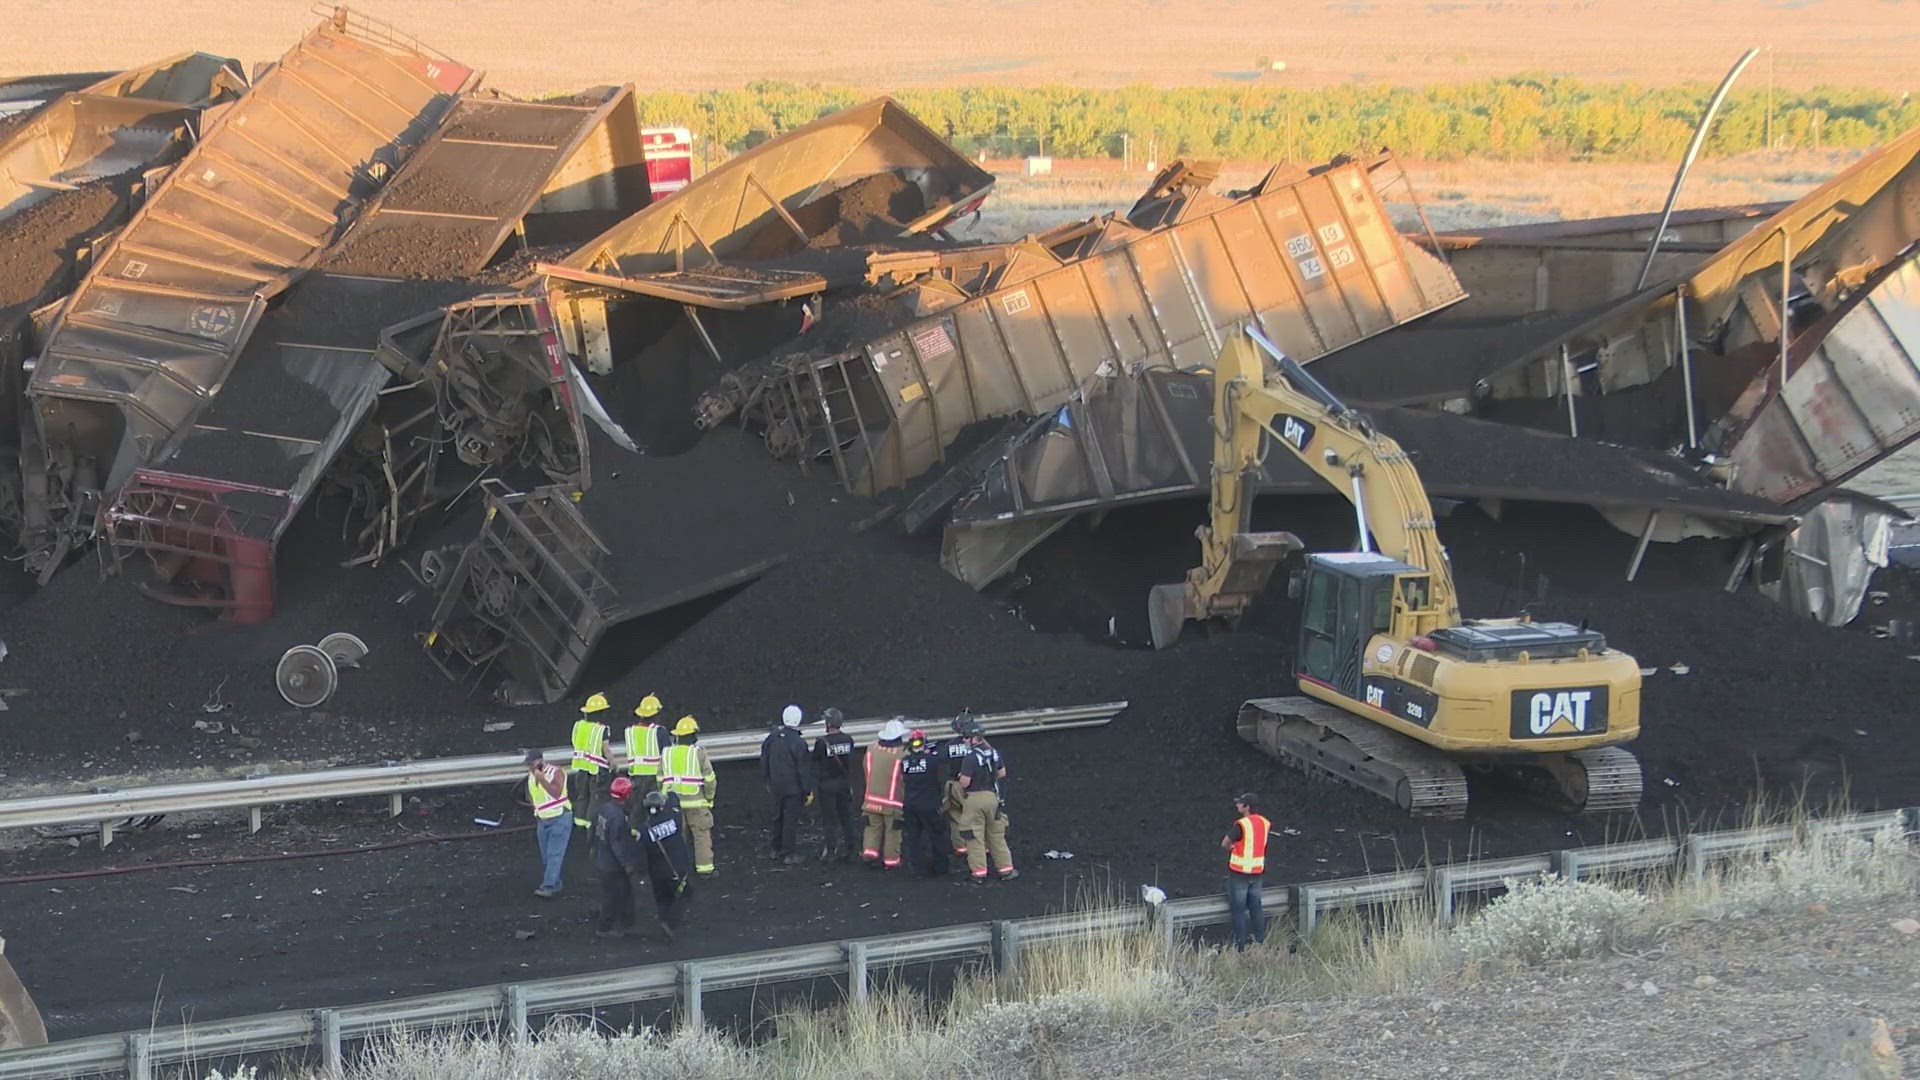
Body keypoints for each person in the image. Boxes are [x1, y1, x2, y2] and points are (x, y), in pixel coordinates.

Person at [956, 718, 1017, 882]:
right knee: (996, 835)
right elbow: (1002, 773)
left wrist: (962, 777)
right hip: (992, 797)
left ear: (974, 738)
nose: (963, 740)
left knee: (973, 836)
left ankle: (979, 873)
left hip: (974, 798)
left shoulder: (970, 758)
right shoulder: (993, 752)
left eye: (966, 737)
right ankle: (1006, 870)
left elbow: (965, 782)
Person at [661, 716, 718, 875]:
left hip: (673, 804)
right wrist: (709, 798)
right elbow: (710, 780)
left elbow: (660, 778)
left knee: (677, 837)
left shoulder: (666, 753)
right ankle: (705, 869)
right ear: (693, 736)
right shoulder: (699, 753)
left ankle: (678, 870)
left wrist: (664, 798)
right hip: (696, 804)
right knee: (701, 836)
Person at [760, 704, 815, 865]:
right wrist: (807, 790)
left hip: (776, 786)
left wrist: (767, 780)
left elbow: (764, 760)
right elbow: (803, 769)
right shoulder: (798, 743)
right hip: (793, 789)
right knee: (790, 820)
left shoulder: (772, 738)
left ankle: (775, 849)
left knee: (777, 817)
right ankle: (788, 853)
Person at [590, 776, 644, 937]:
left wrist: (592, 848)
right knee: (612, 896)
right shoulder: (618, 817)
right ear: (626, 795)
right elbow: (617, 843)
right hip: (612, 865)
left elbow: (593, 829)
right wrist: (627, 863)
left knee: (624, 892)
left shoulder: (604, 808)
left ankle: (627, 921)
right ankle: (604, 928)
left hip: (602, 860)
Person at [637, 789, 693, 938]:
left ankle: (663, 919)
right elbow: (675, 803)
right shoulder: (673, 818)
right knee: (685, 894)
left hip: (656, 873)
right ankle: (670, 923)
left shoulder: (644, 829)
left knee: (662, 897)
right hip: (676, 868)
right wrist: (672, 793)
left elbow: (641, 850)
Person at [1221, 792, 1271, 951]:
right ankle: (1260, 944)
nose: (1237, 805)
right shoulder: (1265, 823)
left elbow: (1225, 843)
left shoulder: (1241, 825)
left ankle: (1240, 948)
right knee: (1256, 908)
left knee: (1238, 911)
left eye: (1240, 803)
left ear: (1247, 807)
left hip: (1239, 874)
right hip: (1257, 873)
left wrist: (1232, 848)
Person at [811, 707, 861, 862]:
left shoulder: (821, 742)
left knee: (829, 819)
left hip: (826, 786)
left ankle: (831, 851)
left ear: (828, 723)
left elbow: (815, 762)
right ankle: (852, 849)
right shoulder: (848, 740)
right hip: (843, 783)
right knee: (847, 818)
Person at [899, 729, 950, 877]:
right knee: (936, 836)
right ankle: (941, 868)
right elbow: (941, 763)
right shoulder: (932, 760)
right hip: (929, 804)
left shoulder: (905, 762)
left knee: (914, 838)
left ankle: (918, 870)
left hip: (910, 805)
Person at [860, 719, 908, 869]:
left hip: (871, 799)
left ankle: (869, 853)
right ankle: (891, 861)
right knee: (893, 831)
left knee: (872, 828)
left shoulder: (871, 749)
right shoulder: (902, 753)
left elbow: (865, 769)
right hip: (893, 803)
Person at [524, 749, 570, 898]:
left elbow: (556, 793)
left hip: (559, 818)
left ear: (540, 761)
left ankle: (548, 886)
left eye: (532, 764)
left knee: (554, 854)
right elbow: (531, 795)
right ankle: (555, 883)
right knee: (547, 856)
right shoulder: (531, 776)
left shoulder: (556, 772)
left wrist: (542, 779)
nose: (530, 767)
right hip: (542, 820)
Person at [937, 712, 977, 868]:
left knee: (955, 816)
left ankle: (960, 846)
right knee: (976, 816)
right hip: (975, 785)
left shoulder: (949, 746)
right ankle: (979, 844)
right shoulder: (978, 745)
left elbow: (941, 760)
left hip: (954, 784)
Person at [569, 692, 614, 828]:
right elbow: (606, 750)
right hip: (597, 770)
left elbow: (574, 742)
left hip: (581, 767)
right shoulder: (601, 730)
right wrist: (613, 764)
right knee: (597, 797)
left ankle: (579, 822)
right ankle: (591, 824)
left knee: (583, 795)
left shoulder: (579, 725)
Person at [625, 693, 665, 796]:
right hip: (654, 779)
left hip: (636, 778)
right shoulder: (658, 731)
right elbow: (668, 756)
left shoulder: (630, 731)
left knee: (637, 810)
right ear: (656, 714)